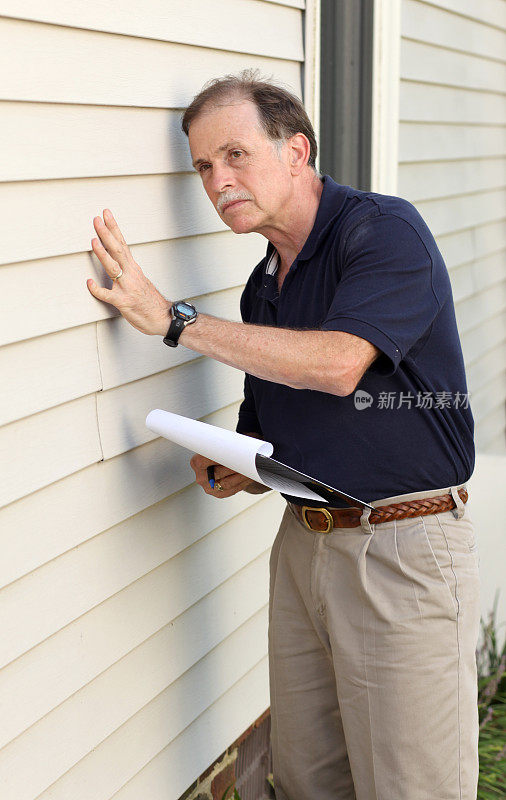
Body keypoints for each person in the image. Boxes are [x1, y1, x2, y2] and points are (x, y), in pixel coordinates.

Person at [86, 70, 481, 800]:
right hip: (303, 546)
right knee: (308, 780)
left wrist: (176, 321)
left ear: (296, 151)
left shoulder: (382, 232)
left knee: (411, 785)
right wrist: (235, 463)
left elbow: (337, 365)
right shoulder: (262, 287)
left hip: (402, 549)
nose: (218, 180)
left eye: (235, 155)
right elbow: (271, 426)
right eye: (205, 167)